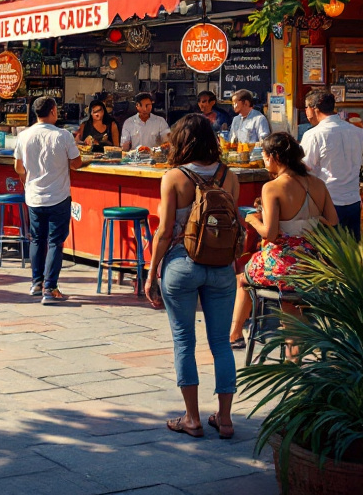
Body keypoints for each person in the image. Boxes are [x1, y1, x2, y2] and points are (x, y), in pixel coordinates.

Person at [144, 113, 240, 439]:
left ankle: (192, 418)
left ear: (181, 141)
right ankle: (225, 420)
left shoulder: (173, 177)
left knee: (184, 341)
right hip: (222, 268)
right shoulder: (230, 176)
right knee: (221, 345)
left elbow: (164, 231)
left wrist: (151, 272)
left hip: (181, 265)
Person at [230, 133, 338, 347]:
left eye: (265, 156)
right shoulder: (317, 183)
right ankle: (293, 353)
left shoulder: (272, 187)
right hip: (312, 263)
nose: (264, 161)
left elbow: (269, 234)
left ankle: (234, 335)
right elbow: (333, 221)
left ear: (275, 157)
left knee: (242, 278)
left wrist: (251, 219)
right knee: (289, 301)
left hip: (284, 263)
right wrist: (308, 225)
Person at [14, 96, 87, 304]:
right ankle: (50, 288)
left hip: (34, 196)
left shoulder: (24, 135)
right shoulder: (63, 136)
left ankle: (36, 283)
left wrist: (27, 181)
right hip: (58, 196)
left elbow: (18, 167)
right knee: (55, 241)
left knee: (37, 239)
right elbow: (76, 163)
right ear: (53, 111)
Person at [300, 88, 363, 239]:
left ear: (314, 109)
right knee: (350, 256)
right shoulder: (357, 132)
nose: (306, 112)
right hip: (353, 200)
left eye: (306, 108)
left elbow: (305, 168)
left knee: (327, 257)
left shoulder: (314, 134)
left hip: (328, 202)